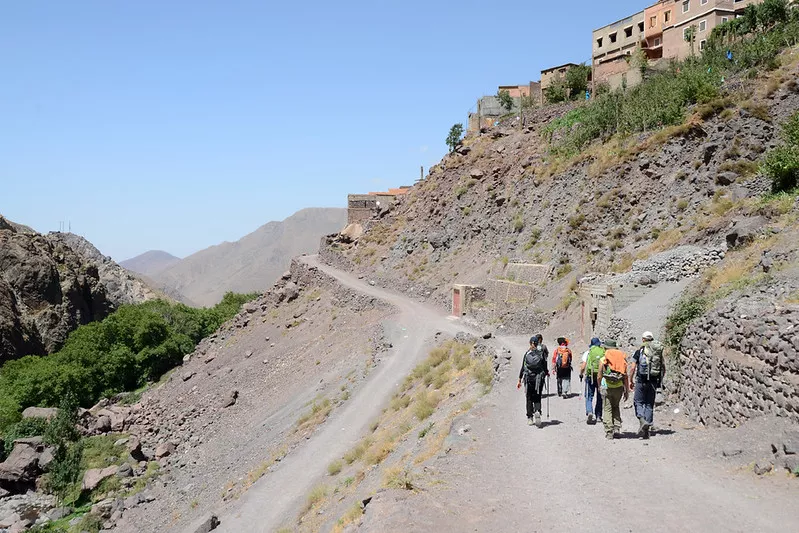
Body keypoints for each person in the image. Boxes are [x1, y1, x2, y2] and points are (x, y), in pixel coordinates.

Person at [630, 331, 665, 439]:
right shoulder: (657, 351)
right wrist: (660, 380)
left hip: (641, 380)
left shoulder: (639, 351)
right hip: (653, 381)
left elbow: (632, 367)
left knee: (638, 402)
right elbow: (663, 368)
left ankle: (642, 420)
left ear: (643, 339)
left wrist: (630, 380)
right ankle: (647, 429)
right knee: (649, 404)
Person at [596, 339, 629, 440]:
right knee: (616, 407)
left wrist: (599, 386)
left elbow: (599, 375)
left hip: (607, 387)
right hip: (619, 387)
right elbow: (625, 376)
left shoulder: (603, 359)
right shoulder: (622, 358)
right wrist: (626, 390)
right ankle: (617, 428)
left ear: (606, 348)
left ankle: (609, 432)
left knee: (607, 409)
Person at [517, 335, 548, 428]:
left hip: (529, 379)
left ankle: (530, 418)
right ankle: (537, 410)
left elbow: (523, 367)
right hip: (539, 379)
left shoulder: (527, 353)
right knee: (538, 396)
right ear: (538, 343)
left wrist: (519, 379)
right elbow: (545, 367)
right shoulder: (541, 353)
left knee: (529, 398)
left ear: (530, 343)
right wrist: (545, 374)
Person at [579, 337, 604, 425]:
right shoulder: (603, 352)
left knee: (589, 395)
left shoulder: (588, 352)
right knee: (600, 396)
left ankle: (589, 411)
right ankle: (598, 416)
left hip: (590, 376)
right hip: (601, 377)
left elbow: (583, 366)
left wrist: (581, 374)